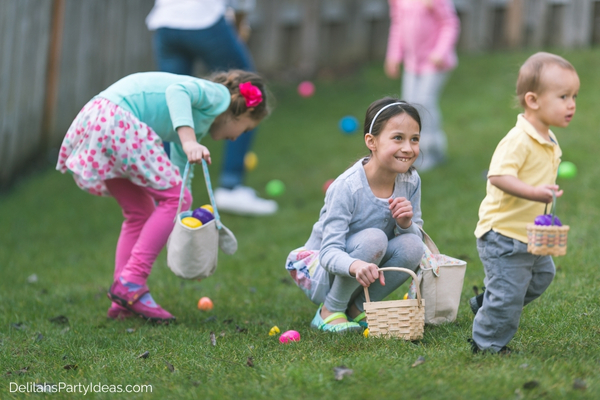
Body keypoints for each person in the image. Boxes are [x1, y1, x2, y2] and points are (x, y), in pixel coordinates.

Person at [56, 69, 270, 323]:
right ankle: (132, 281)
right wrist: (189, 141)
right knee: (169, 200)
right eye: (245, 130)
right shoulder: (218, 95)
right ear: (243, 111)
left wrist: (184, 236)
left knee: (141, 212)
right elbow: (176, 91)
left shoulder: (194, 124)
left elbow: (180, 189)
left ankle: (123, 300)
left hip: (102, 119)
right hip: (118, 120)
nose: (236, 138)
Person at [469, 52, 579, 353]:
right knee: (508, 295)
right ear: (533, 100)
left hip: (530, 233)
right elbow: (499, 177)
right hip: (503, 234)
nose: (572, 104)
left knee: (543, 276)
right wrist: (535, 193)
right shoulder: (519, 139)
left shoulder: (548, 137)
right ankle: (487, 345)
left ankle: (487, 302)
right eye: (563, 96)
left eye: (574, 96)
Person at [285, 98, 425, 333]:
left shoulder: (410, 180)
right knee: (374, 238)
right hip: (321, 271)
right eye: (398, 138)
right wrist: (355, 264)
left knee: (413, 245)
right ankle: (329, 310)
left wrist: (406, 224)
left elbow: (417, 238)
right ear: (372, 141)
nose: (408, 148)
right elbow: (329, 253)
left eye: (415, 139)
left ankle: (358, 309)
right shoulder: (347, 187)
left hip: (367, 266)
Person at [146, 0, 277, 216]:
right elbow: (242, 4)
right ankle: (231, 185)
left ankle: (165, 192)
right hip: (204, 19)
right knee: (249, 92)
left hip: (165, 22)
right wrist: (238, 26)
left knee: (172, 104)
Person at [384, 0, 460, 171]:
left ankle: (432, 150)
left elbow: (450, 23)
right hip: (413, 63)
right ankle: (413, 150)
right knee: (409, 106)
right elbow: (397, 26)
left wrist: (440, 52)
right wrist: (394, 55)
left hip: (435, 62)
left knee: (425, 103)